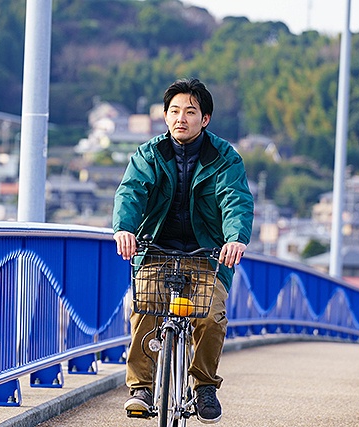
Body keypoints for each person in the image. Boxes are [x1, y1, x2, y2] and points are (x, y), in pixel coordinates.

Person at [112, 78, 254, 424]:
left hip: (208, 255)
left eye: (190, 112)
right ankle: (141, 389)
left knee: (210, 316)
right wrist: (124, 229)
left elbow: (235, 199)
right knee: (144, 307)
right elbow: (131, 192)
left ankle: (204, 386)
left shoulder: (224, 157)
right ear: (165, 116)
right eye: (174, 111)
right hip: (156, 250)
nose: (181, 118)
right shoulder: (149, 154)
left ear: (205, 119)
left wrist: (235, 237)